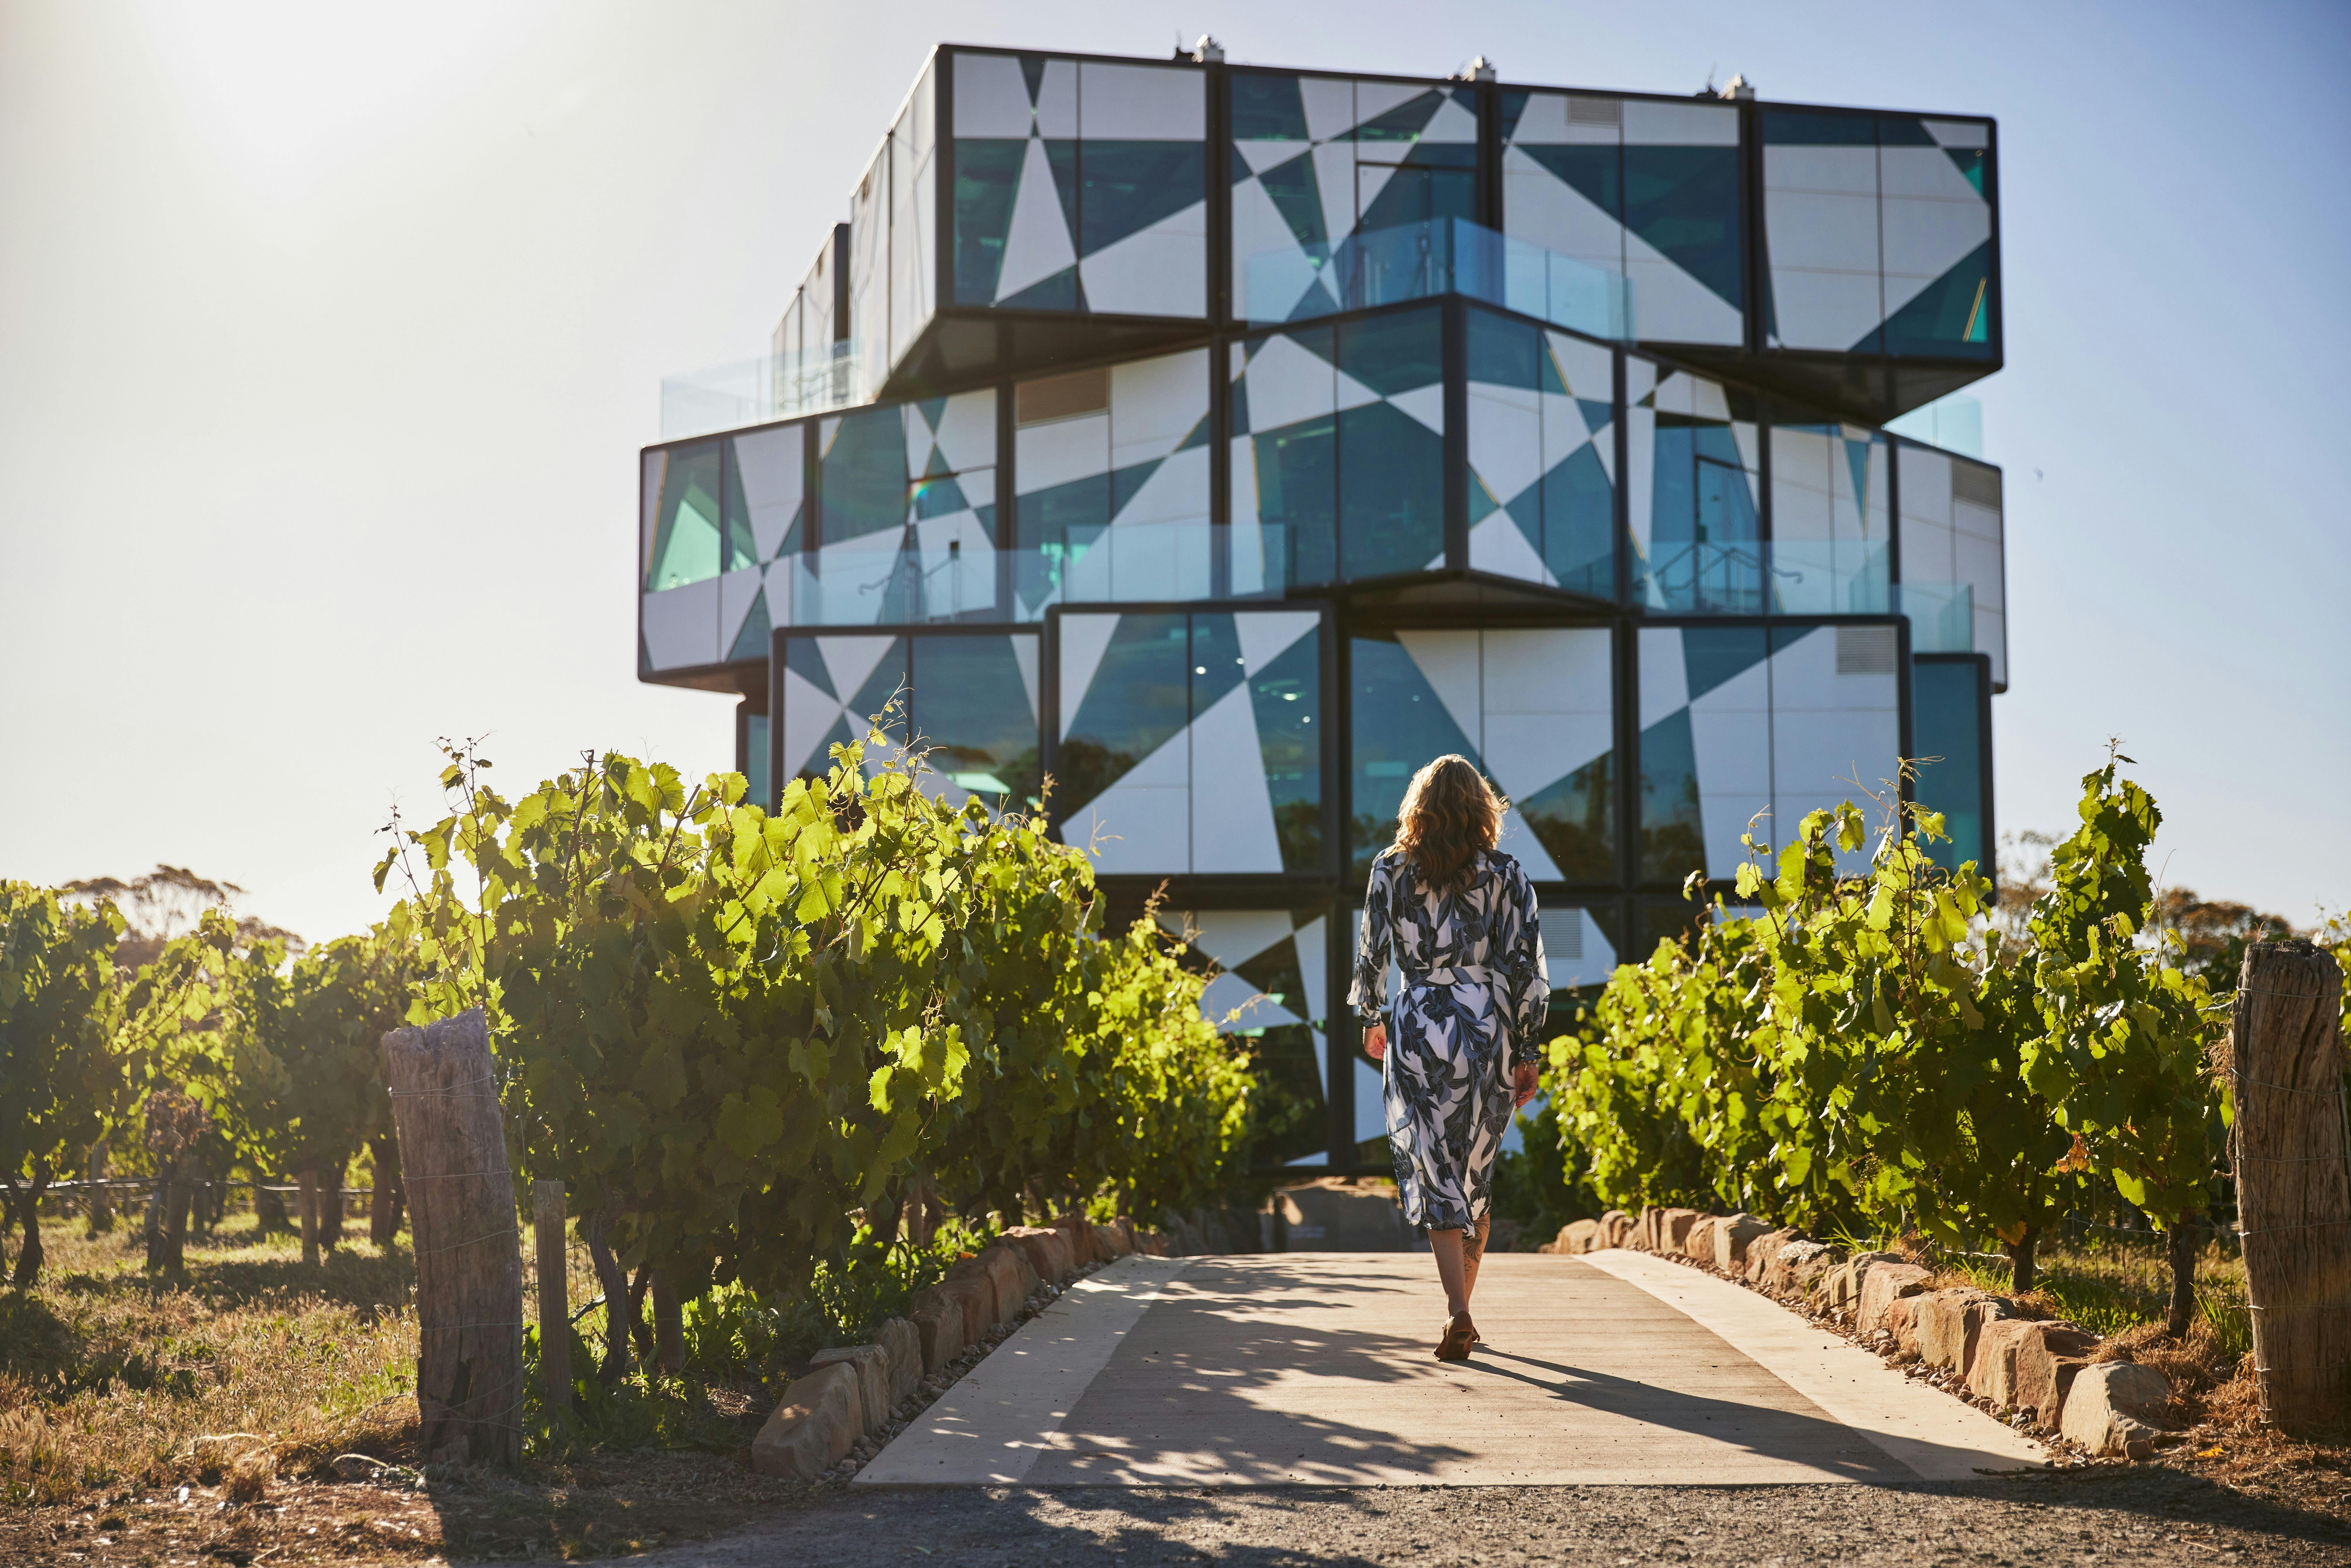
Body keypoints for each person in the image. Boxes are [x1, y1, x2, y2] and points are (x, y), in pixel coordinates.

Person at [1350, 755, 1547, 1362]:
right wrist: (1529, 1049)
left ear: (1420, 807)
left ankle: (1458, 1311)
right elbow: (1526, 969)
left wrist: (1372, 1018)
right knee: (1475, 1173)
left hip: (1416, 1022)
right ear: (1481, 808)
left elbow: (1370, 955)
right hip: (1485, 1025)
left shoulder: (1388, 869)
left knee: (1435, 1167)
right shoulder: (1508, 875)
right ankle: (1462, 1309)